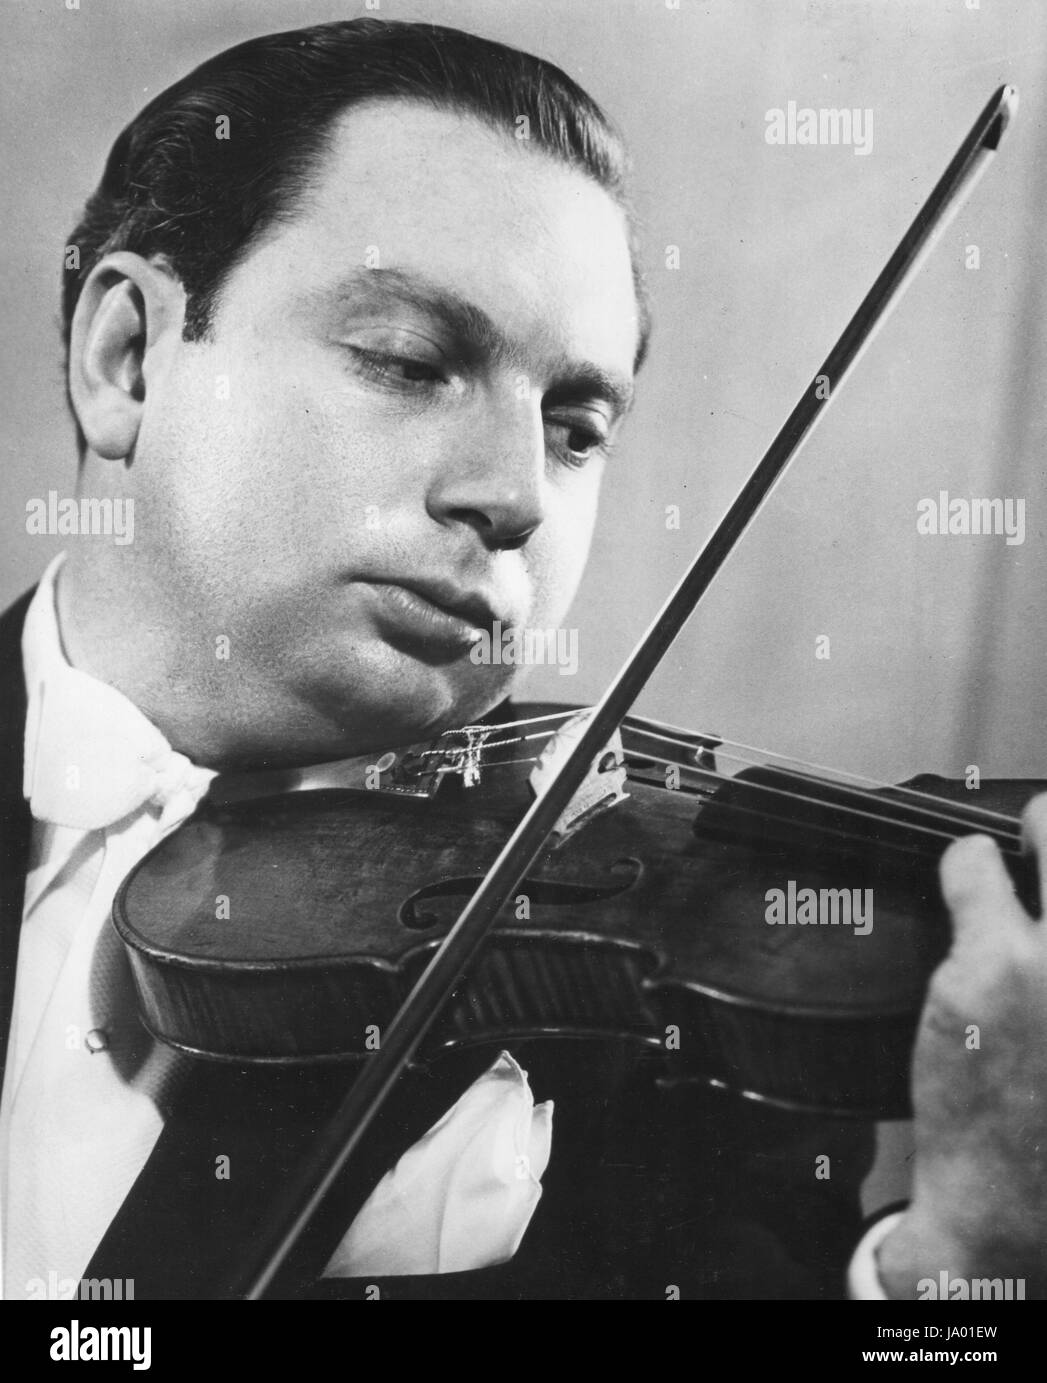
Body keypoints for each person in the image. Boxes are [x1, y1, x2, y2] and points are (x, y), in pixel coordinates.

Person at [0, 17, 1043, 1302]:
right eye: (409, 360)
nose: (519, 496)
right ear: (129, 358)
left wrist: (972, 1265)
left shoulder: (667, 1026)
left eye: (576, 424)